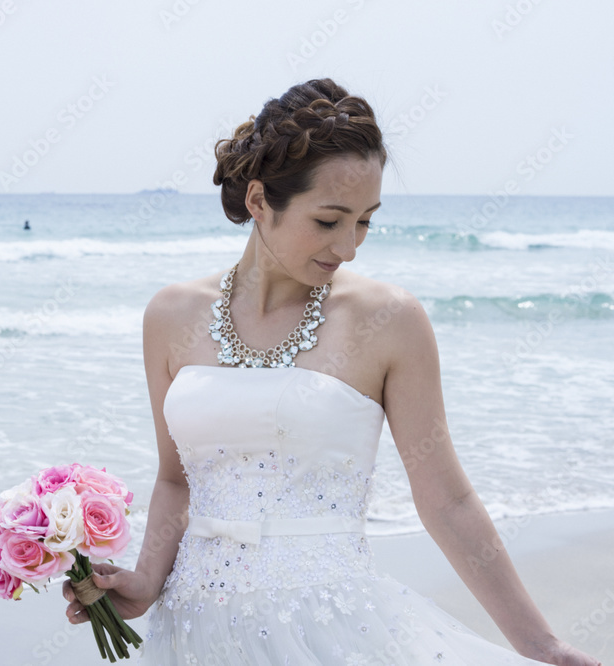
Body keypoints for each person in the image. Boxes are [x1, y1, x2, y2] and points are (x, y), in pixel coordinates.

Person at [62, 78, 602, 665]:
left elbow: (446, 500)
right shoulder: (171, 316)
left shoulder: (389, 320)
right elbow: (175, 480)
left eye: (366, 221)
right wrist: (144, 579)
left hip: (333, 633)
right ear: (259, 201)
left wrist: (541, 645)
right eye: (329, 221)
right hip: (193, 633)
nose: (349, 247)